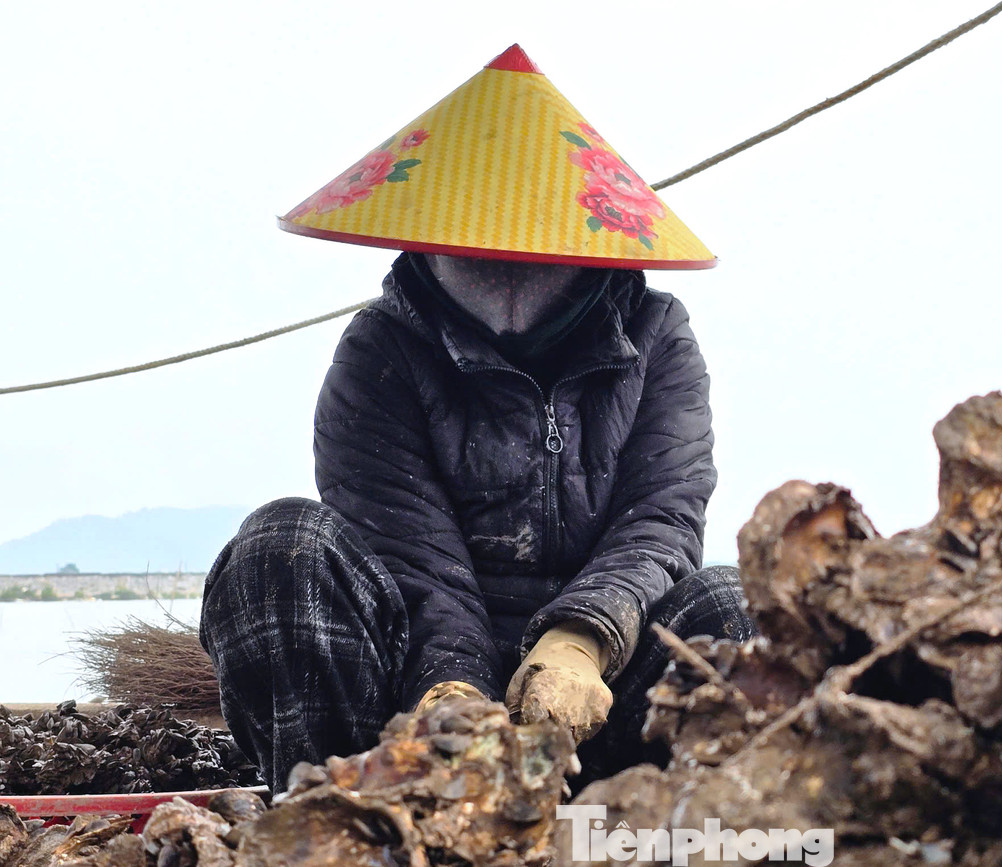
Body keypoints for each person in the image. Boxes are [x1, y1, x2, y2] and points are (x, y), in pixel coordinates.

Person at [198, 44, 752, 793]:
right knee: (281, 545)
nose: (509, 274)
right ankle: (331, 819)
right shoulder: (379, 350)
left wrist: (580, 638)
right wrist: (449, 692)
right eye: (482, 247)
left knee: (733, 607)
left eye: (533, 249)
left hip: (602, 697)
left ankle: (654, 826)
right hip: (406, 711)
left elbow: (662, 518)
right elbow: (406, 550)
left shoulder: (658, 337)